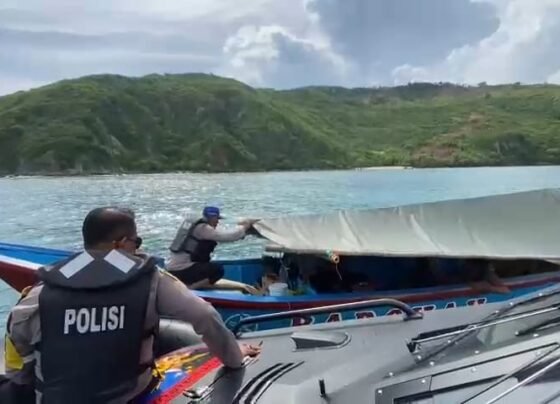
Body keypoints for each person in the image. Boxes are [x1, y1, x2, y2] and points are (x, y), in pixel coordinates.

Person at [3, 207, 261, 404]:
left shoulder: (43, 289)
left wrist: (25, 380)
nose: (138, 249)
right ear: (121, 243)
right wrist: (234, 358)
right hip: (128, 396)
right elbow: (205, 316)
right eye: (136, 242)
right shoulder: (150, 279)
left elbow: (17, 337)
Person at [167, 206, 259, 294]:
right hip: (182, 271)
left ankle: (193, 286)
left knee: (208, 266)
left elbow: (224, 235)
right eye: (217, 219)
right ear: (211, 217)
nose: (218, 222)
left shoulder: (197, 227)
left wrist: (243, 233)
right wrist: (244, 227)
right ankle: (190, 289)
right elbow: (228, 236)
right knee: (217, 270)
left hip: (174, 270)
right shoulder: (203, 228)